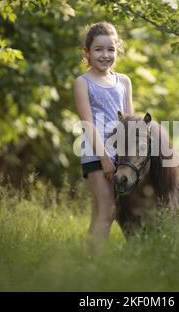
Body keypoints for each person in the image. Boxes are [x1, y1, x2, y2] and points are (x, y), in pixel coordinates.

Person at [73, 22, 134, 250]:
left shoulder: (124, 81)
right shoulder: (83, 82)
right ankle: (97, 267)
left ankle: (88, 266)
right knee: (108, 210)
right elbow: (87, 124)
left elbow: (129, 121)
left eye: (111, 49)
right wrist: (105, 158)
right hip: (96, 153)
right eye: (98, 49)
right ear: (87, 53)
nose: (105, 55)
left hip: (120, 155)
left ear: (117, 50)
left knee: (100, 210)